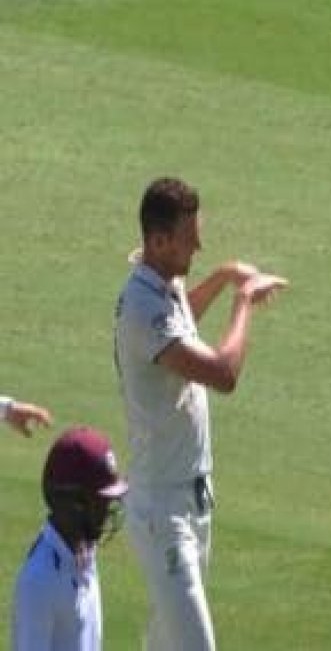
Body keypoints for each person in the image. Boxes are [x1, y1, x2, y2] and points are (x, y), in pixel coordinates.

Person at [114, 176, 287, 651]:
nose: (199, 246)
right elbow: (222, 373)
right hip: (163, 511)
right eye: (190, 240)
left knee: (165, 643)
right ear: (158, 240)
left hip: (192, 502)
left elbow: (181, 321)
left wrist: (224, 273)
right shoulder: (143, 308)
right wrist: (243, 301)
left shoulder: (163, 288)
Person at [12, 426, 128, 651]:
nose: (107, 512)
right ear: (71, 503)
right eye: (100, 502)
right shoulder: (40, 581)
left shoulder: (83, 551)